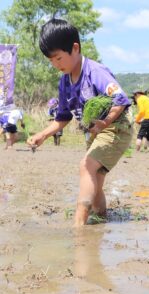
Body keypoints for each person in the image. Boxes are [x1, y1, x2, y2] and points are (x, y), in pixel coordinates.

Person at [27, 19, 133, 226]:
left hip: (116, 127)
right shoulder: (64, 82)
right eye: (51, 61)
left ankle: (79, 223)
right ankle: (100, 218)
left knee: (86, 167)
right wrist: (42, 135)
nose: (56, 65)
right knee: (95, 181)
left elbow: (120, 99)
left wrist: (105, 122)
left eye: (59, 58)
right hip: (94, 132)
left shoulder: (95, 72)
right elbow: (62, 119)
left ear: (75, 48)